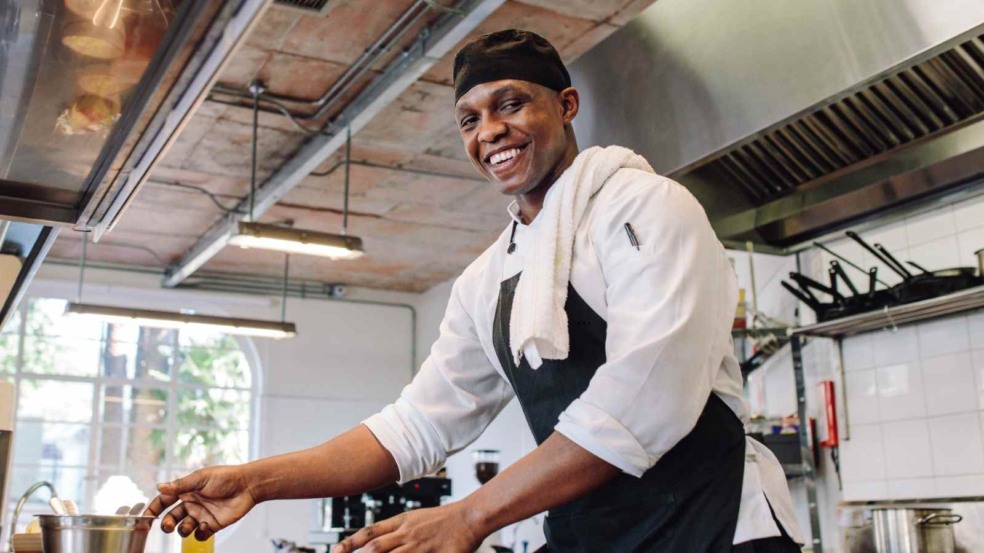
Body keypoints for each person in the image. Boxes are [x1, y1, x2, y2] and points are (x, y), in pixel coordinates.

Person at [147, 29, 804, 552]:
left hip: (718, 528)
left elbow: (644, 398)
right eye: (469, 118)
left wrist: (471, 515)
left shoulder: (645, 207)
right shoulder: (488, 279)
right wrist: (257, 481)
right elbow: (414, 426)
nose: (489, 130)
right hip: (591, 536)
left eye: (511, 103)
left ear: (566, 105)